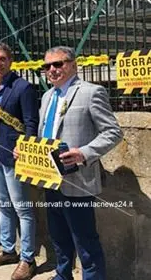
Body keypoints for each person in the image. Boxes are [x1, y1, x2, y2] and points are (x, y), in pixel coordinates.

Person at [38, 46, 123, 280]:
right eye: (47, 66)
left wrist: (84, 153)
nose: (53, 70)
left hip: (78, 180)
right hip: (49, 178)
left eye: (59, 64)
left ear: (73, 65)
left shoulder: (91, 92)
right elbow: (46, 134)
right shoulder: (47, 96)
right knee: (58, 234)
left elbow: (113, 132)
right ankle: (63, 275)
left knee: (84, 239)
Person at [0, 42, 39, 280]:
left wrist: (24, 147)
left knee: (22, 208)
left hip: (14, 155)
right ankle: (7, 249)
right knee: (2, 203)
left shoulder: (23, 87)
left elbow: (31, 122)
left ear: (10, 61)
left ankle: (28, 259)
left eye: (2, 58)